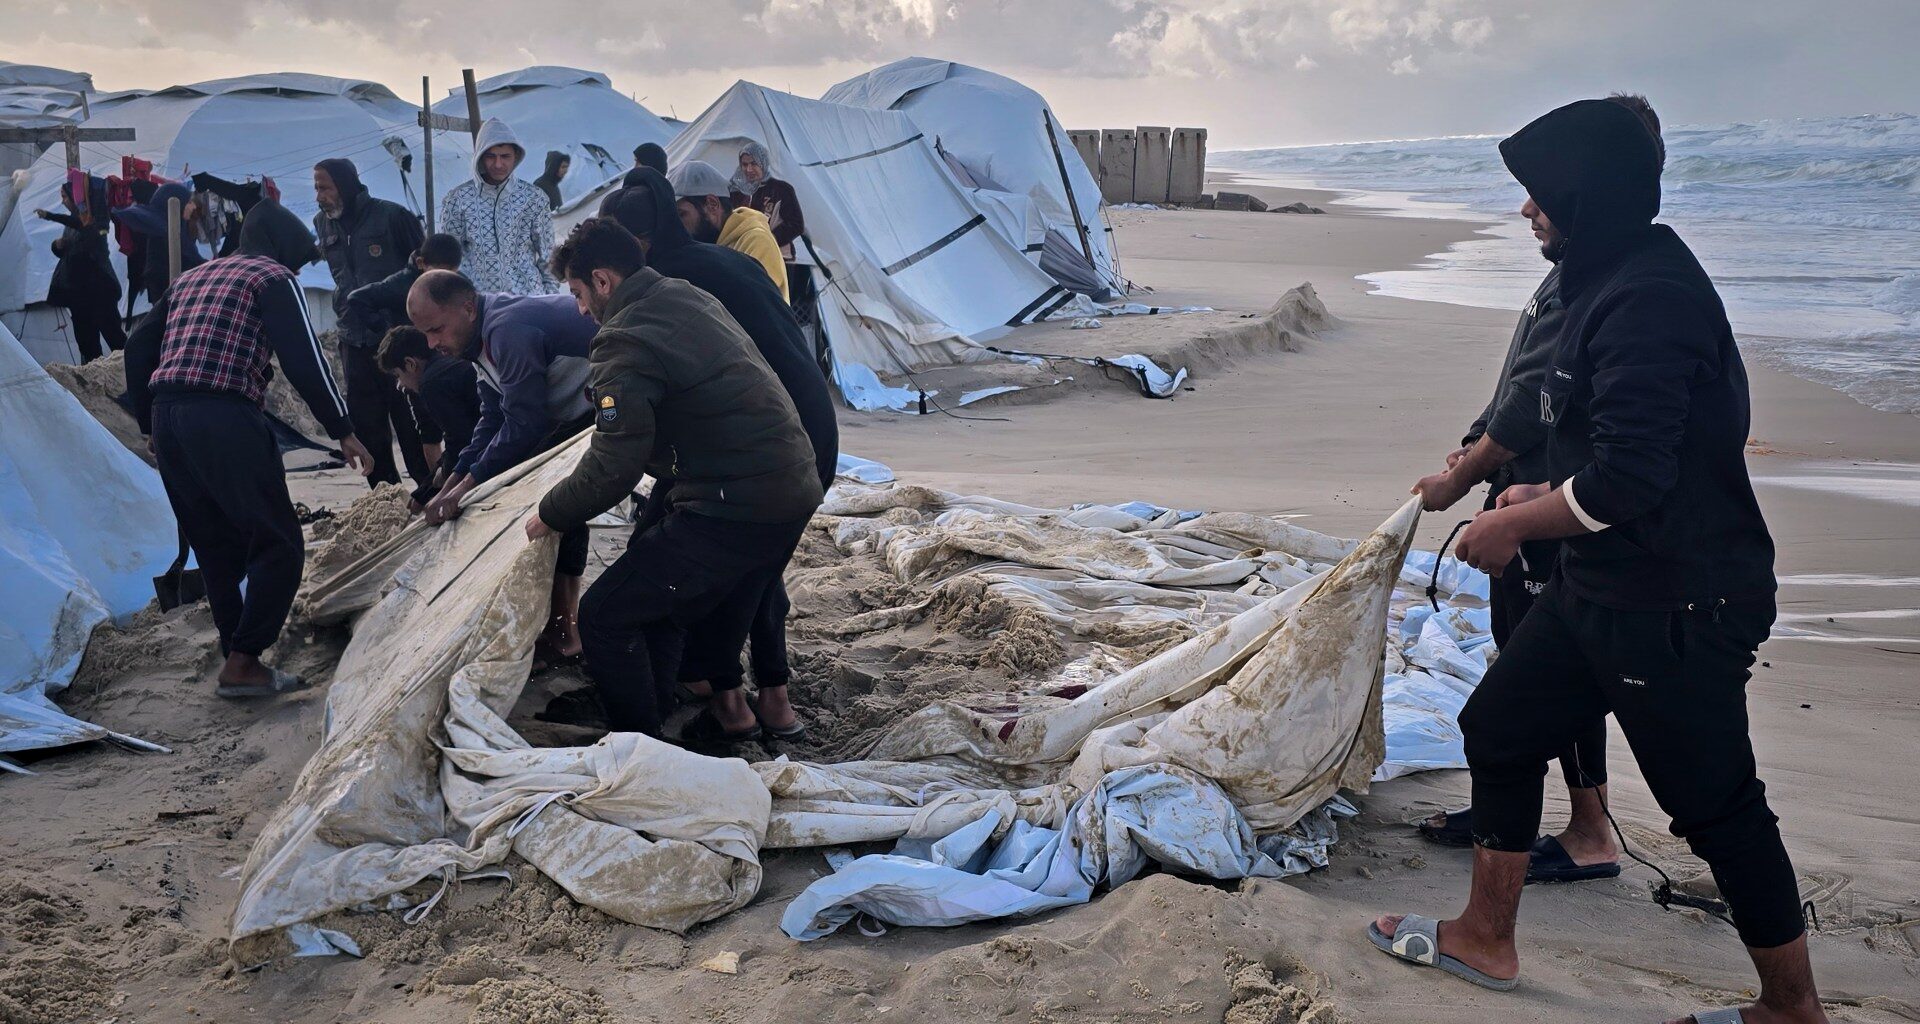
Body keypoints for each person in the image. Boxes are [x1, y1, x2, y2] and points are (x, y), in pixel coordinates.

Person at [1369, 99, 1825, 1024]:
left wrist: (1521, 524)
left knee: (1717, 810)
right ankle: (1486, 939)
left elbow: (1634, 478)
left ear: (1588, 195)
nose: (1526, 210)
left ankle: (1792, 1010)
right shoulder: (1600, 273)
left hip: (1679, 604)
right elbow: (1588, 433)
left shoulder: (1650, 297)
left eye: (1539, 195)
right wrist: (1521, 488)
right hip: (1605, 587)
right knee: (1498, 727)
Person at [1407, 94, 1668, 882]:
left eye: (1544, 190)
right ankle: (1506, 813)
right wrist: (1467, 454)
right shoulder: (1572, 275)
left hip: (1552, 507)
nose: (1526, 206)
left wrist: (1464, 476)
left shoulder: (1604, 287)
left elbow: (1531, 407)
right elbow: (1517, 382)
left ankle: (1590, 831)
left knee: (1551, 671)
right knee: (1517, 657)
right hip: (1524, 496)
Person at [526, 217, 823, 740]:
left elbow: (615, 463)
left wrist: (548, 514)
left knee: (604, 615)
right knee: (655, 592)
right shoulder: (680, 294)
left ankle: (640, 741)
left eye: (577, 293)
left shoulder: (622, 337)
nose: (578, 309)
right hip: (793, 481)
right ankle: (662, 700)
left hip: (738, 501)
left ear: (602, 281)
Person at [601, 171, 837, 737]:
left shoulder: (665, 283)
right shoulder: (725, 259)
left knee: (712, 561)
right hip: (814, 430)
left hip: (767, 441)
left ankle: (726, 701)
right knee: (760, 566)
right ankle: (772, 700)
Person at [122, 200, 373, 698]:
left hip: (170, 415)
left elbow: (136, 347)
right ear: (284, 249)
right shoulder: (272, 277)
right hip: (223, 413)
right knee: (278, 540)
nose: (298, 270)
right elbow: (305, 359)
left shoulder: (191, 278)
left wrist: (148, 416)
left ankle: (235, 655)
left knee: (216, 545)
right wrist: (342, 428)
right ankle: (244, 661)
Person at [407, 270, 597, 666]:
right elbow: (492, 418)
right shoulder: (477, 342)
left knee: (558, 505)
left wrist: (463, 490)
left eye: (437, 330)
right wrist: (451, 485)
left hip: (598, 405)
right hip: (566, 412)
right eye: (424, 334)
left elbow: (525, 423)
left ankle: (566, 631)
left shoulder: (506, 331)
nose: (432, 344)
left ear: (467, 308)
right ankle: (560, 625)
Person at [314, 157, 431, 491]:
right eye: (317, 188)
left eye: (325, 187)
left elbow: (423, 269)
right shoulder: (323, 224)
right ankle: (388, 500)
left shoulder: (393, 217)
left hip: (397, 338)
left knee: (412, 423)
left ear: (345, 186)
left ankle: (429, 492)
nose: (320, 196)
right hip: (354, 339)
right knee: (368, 427)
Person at [438, 117, 557, 295]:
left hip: (528, 299)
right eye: (491, 156)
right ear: (480, 157)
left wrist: (551, 299)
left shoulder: (534, 198)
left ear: (516, 157)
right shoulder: (457, 200)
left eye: (505, 156)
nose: (498, 164)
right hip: (478, 303)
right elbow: (449, 258)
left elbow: (548, 255)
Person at [376, 324, 478, 514]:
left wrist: (440, 484)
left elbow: (460, 441)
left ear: (410, 364)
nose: (399, 385)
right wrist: (426, 489)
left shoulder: (432, 382)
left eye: (397, 376)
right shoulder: (447, 363)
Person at [669, 160, 788, 302]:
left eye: (682, 214)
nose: (677, 225)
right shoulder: (712, 244)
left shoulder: (756, 241)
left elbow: (752, 308)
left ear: (712, 204)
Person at [38, 173, 125, 363]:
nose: (63, 201)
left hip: (98, 289)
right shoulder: (74, 221)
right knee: (87, 342)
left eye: (65, 197)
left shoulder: (92, 220)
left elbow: (87, 243)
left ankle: (128, 375)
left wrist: (51, 218)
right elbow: (70, 251)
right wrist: (57, 246)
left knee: (113, 336)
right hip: (78, 294)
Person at [727, 140, 812, 316]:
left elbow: (796, 224)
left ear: (763, 163)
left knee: (778, 310)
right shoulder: (735, 191)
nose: (749, 169)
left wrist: (767, 239)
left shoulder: (781, 190)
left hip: (779, 258)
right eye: (744, 164)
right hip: (745, 258)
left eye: (753, 164)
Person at [113, 182, 206, 303]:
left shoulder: (178, 228)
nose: (193, 206)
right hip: (164, 289)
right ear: (177, 205)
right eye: (188, 202)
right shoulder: (164, 231)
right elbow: (192, 260)